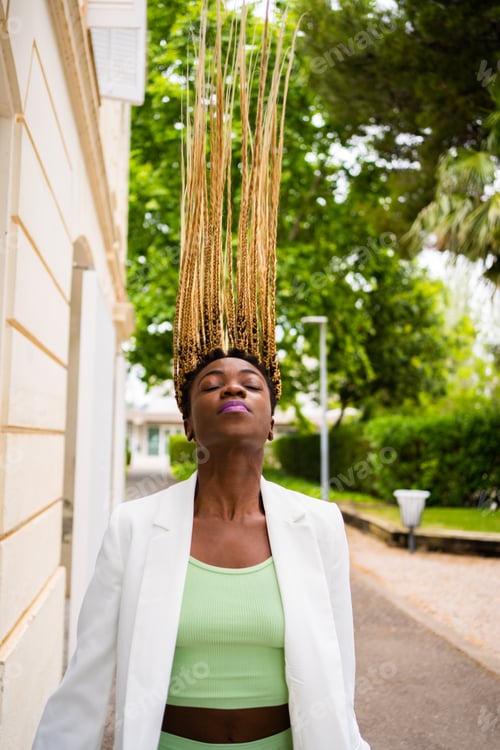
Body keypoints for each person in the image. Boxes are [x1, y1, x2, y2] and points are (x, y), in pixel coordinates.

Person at [32, 3, 370, 748]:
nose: (233, 387)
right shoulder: (134, 529)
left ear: (273, 415)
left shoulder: (317, 527)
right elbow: (89, 680)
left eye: (251, 380)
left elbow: (335, 680)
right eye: (211, 382)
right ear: (189, 421)